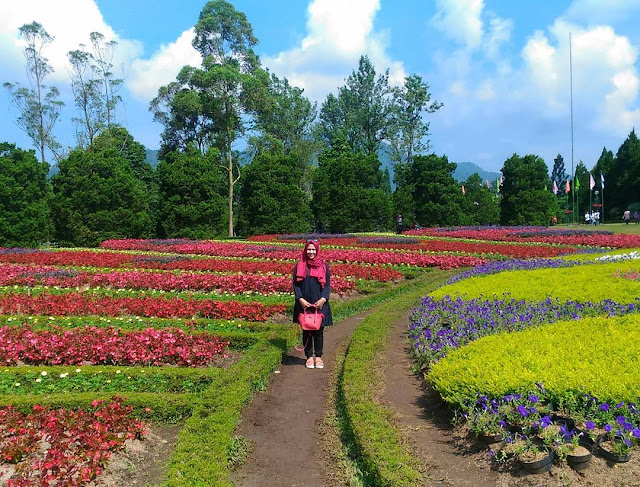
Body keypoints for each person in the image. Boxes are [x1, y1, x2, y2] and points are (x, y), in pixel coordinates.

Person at [293, 239, 332, 369]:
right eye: (308, 249)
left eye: (313, 249)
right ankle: (309, 357)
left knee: (319, 331)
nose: (311, 252)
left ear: (317, 250)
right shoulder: (300, 265)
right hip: (304, 304)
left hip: (319, 303)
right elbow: (296, 285)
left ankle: (319, 357)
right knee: (306, 331)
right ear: (305, 250)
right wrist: (300, 299)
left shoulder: (324, 266)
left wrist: (323, 299)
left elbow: (327, 285)